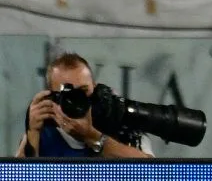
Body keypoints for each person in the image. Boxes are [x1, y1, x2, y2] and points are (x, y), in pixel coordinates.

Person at [14, 52, 153, 158]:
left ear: (95, 89)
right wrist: (32, 133)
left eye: (83, 92)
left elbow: (155, 177)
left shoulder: (123, 129)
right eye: (68, 95)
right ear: (52, 97)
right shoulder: (44, 134)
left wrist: (93, 137)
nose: (77, 100)